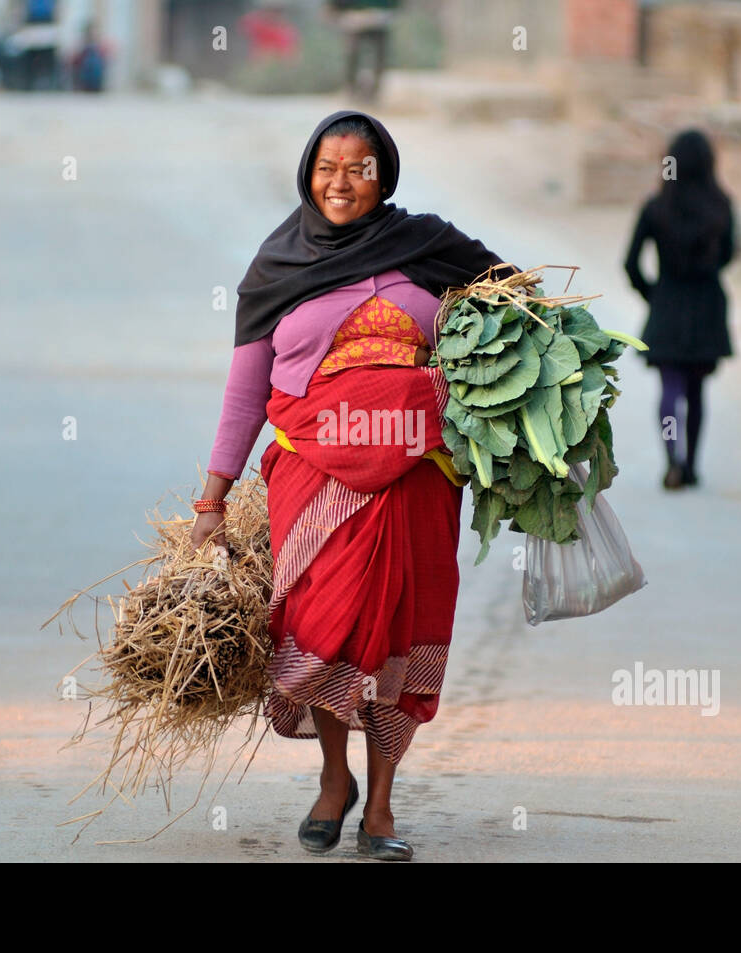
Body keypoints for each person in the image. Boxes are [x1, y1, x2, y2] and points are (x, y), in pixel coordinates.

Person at [191, 110, 513, 860]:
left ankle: (383, 808)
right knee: (326, 632)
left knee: (396, 637)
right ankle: (334, 782)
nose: (341, 183)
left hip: (418, 478)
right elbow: (245, 395)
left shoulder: (430, 247)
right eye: (327, 168)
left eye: (359, 168)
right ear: (307, 173)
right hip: (314, 478)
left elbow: (511, 309)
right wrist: (212, 498)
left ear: (384, 176)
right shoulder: (277, 267)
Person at [624, 129, 735, 490]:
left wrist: (652, 294)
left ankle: (674, 459)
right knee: (697, 390)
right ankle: (692, 467)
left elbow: (630, 263)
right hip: (705, 306)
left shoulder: (656, 208)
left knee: (670, 387)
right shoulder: (721, 207)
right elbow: (728, 255)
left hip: (668, 304)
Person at [327, 0, 399, 102]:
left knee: (379, 57)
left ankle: (374, 92)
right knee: (352, 55)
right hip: (354, 19)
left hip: (380, 20)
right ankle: (351, 89)